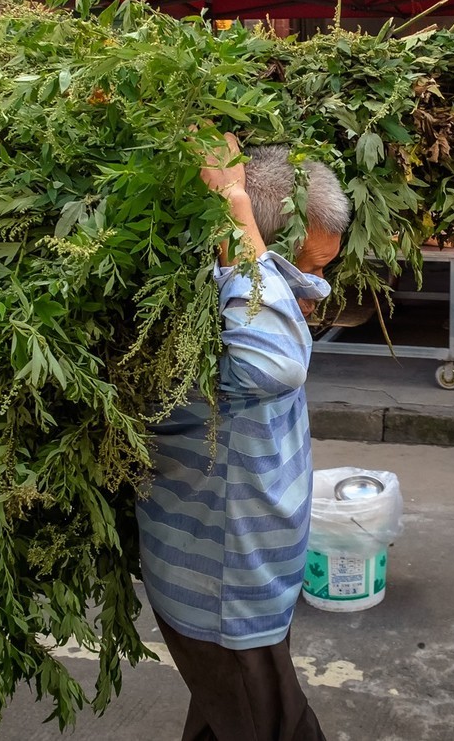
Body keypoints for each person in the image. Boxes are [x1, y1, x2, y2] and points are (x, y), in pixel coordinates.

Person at [136, 135, 350, 740]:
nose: (309, 294)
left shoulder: (240, 301)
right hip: (224, 589)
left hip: (240, 578)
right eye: (303, 270)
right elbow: (275, 364)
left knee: (224, 722)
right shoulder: (202, 322)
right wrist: (233, 200)